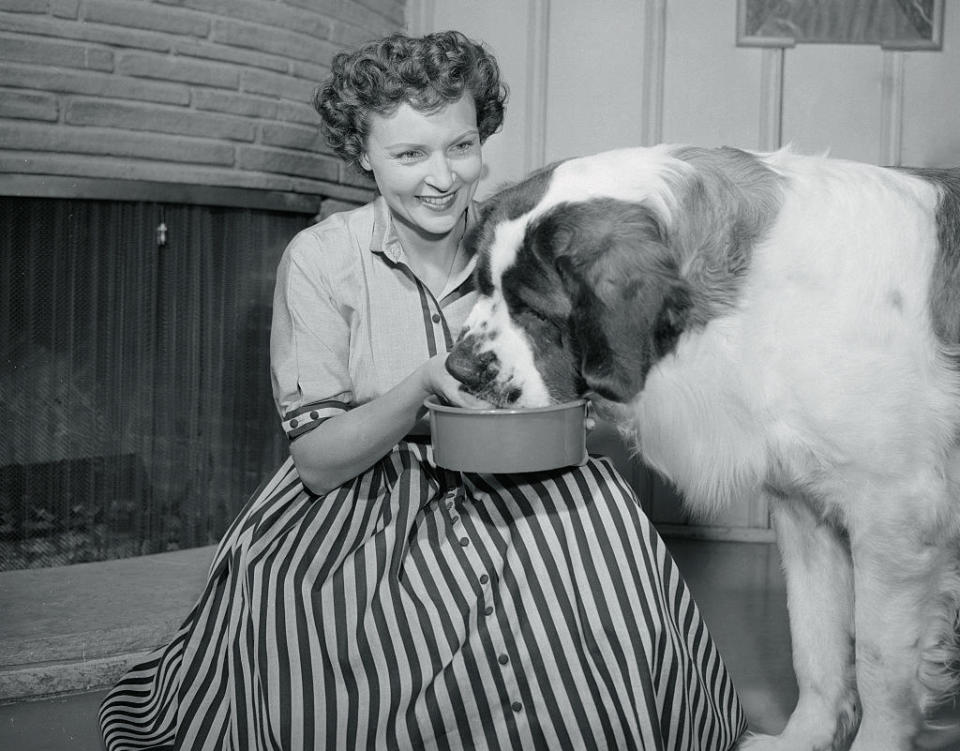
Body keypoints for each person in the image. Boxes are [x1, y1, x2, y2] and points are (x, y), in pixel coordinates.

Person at [99, 30, 747, 750]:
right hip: (359, 494)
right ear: (363, 156)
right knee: (322, 631)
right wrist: (420, 389)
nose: (442, 177)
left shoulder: (518, 240)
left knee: (607, 559)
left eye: (461, 147)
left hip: (519, 475)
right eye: (409, 154)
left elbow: (590, 390)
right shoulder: (321, 259)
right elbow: (316, 460)